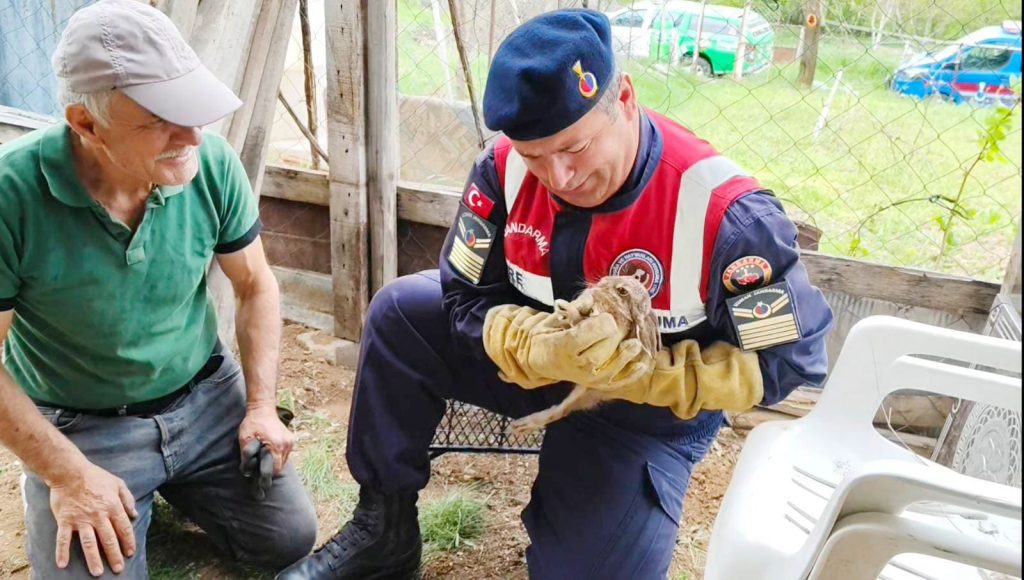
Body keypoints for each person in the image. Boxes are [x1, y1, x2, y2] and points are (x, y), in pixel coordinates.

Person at [278, 8, 833, 580]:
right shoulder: (501, 171)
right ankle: (385, 528)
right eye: (534, 155)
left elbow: (792, 362)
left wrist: (653, 375)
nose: (559, 178)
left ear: (624, 99)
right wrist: (526, 341)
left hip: (641, 411)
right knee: (400, 312)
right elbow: (462, 294)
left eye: (574, 147)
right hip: (535, 371)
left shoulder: (726, 217)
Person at [0, 1, 317, 577]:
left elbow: (255, 285)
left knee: (289, 539)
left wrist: (261, 406)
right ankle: (117, 485)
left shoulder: (211, 163)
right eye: (159, 121)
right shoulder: (10, 196)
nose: (192, 135)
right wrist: (68, 474)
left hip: (204, 396)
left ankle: (171, 484)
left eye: (191, 110)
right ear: (85, 124)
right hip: (85, 423)